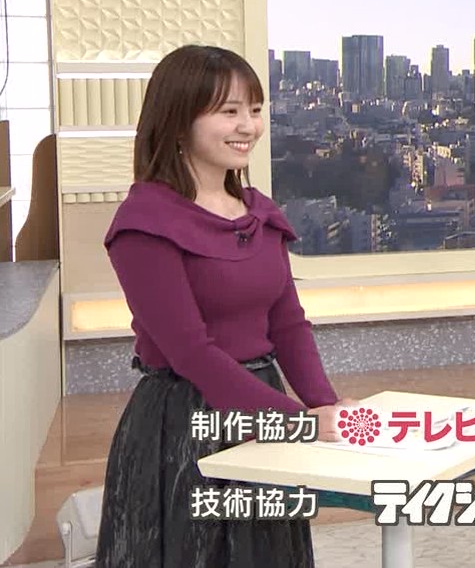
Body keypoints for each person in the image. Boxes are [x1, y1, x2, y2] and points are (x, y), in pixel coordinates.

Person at [95, 45, 349, 568]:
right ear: (179, 121)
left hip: (264, 406)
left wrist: (324, 405)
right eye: (229, 111)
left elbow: (288, 324)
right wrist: (294, 421)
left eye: (254, 109)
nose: (248, 126)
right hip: (185, 422)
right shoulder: (144, 224)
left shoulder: (260, 214)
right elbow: (191, 352)